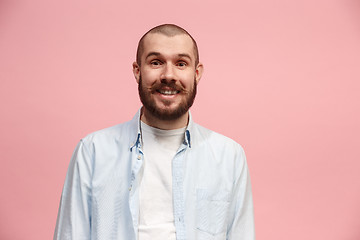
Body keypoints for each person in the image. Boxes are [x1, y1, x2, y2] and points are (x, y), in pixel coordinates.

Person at [54, 24, 255, 240]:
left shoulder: (229, 157)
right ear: (137, 71)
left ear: (196, 73)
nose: (168, 75)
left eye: (181, 63)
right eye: (156, 62)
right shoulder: (92, 151)